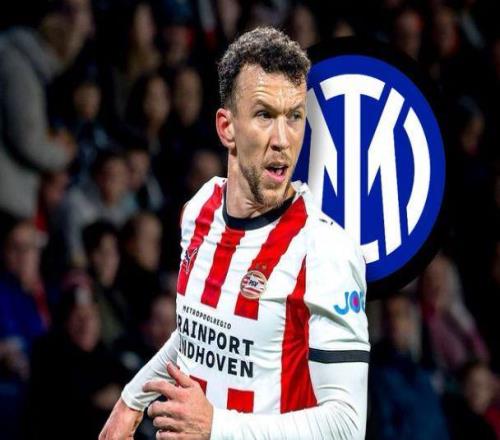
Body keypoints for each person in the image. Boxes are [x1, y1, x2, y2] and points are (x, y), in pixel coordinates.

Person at [100, 27, 369, 440]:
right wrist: (130, 401)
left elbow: (347, 425)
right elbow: (199, 331)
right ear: (227, 128)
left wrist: (216, 426)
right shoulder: (200, 210)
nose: (283, 140)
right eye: (264, 115)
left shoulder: (324, 250)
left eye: (294, 116)